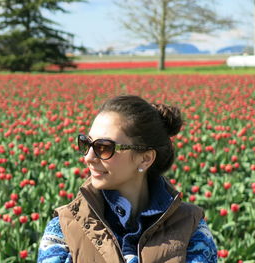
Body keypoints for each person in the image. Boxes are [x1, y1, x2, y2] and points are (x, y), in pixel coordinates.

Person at [37, 95, 217, 263]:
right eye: (86, 143)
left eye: (104, 147)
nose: (88, 157)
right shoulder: (64, 228)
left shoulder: (190, 227)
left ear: (145, 159)